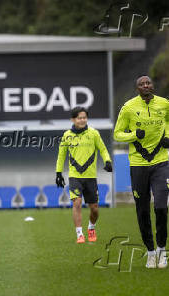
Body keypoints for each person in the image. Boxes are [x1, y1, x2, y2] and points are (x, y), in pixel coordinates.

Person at [114, 75, 169, 269]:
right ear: (137, 88)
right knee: (143, 210)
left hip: (162, 162)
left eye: (148, 83)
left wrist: (168, 136)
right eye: (141, 84)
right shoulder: (128, 107)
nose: (146, 85)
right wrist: (133, 135)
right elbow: (117, 133)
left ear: (152, 85)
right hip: (138, 164)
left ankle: (163, 251)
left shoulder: (164, 104)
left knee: (161, 207)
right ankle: (151, 252)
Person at [56, 107, 112, 244]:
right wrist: (58, 173)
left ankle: (91, 228)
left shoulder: (93, 133)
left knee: (94, 209)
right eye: (79, 118)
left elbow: (103, 149)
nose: (82, 120)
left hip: (91, 177)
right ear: (73, 119)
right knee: (77, 203)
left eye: (84, 117)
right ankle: (79, 234)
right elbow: (61, 156)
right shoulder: (67, 135)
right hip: (74, 176)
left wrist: (108, 161)